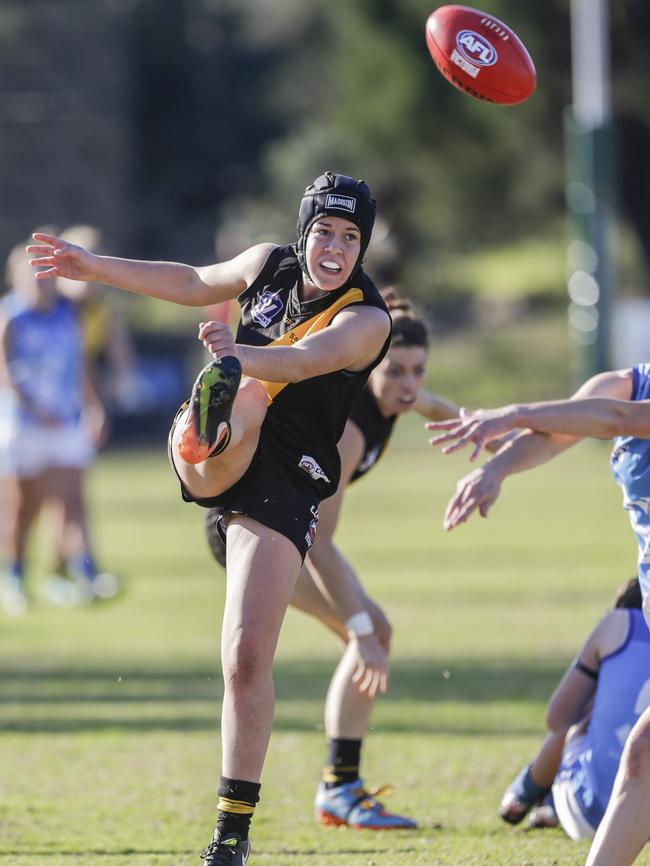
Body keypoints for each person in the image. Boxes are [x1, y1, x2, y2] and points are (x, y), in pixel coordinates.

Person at [27, 171, 392, 866]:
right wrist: (93, 268)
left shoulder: (367, 318)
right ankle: (207, 429)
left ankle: (230, 838)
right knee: (245, 398)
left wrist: (234, 357)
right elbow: (195, 280)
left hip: (286, 479)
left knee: (245, 658)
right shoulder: (266, 265)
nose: (334, 248)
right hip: (224, 449)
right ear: (303, 231)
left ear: (362, 246)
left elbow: (307, 358)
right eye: (324, 231)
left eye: (350, 237)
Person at [205, 292, 464, 831]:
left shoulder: (400, 395)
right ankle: (339, 788)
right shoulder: (349, 434)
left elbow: (440, 409)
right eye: (395, 372)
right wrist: (360, 624)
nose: (408, 386)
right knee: (370, 633)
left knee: (369, 634)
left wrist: (494, 426)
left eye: (418, 372)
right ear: (370, 363)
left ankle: (339, 787)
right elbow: (318, 541)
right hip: (253, 525)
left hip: (288, 532)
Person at [427, 363, 650, 866]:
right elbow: (563, 431)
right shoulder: (627, 381)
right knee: (643, 759)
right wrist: (495, 469)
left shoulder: (624, 404)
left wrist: (512, 412)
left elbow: (617, 420)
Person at [0, 239, 111, 616]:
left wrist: (94, 408)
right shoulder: (10, 316)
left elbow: (80, 369)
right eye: (31, 275)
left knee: (73, 499)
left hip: (64, 422)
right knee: (23, 509)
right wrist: (33, 407)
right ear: (15, 278)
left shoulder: (68, 315)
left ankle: (86, 573)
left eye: (44, 275)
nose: (40, 282)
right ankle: (14, 577)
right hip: (23, 425)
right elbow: (4, 374)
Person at [499, 577, 650, 842]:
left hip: (590, 810)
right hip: (642, 822)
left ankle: (522, 795)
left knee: (575, 727)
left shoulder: (617, 623)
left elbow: (557, 717)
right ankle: (548, 806)